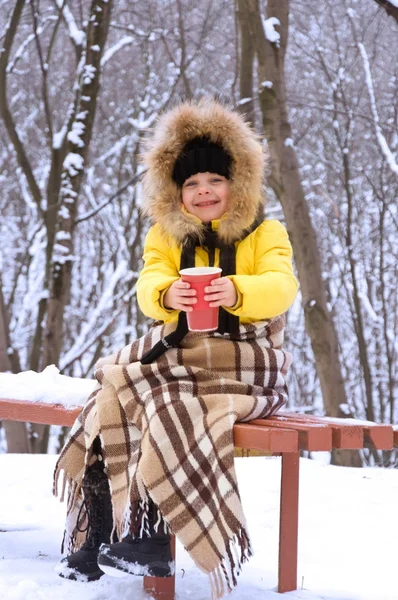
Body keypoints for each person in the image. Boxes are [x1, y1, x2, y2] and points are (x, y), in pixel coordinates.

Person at [53, 97, 298, 597]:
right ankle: (102, 529)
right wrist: (168, 294)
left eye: (215, 181)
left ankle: (149, 532)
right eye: (191, 184)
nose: (204, 191)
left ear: (238, 184)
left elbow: (283, 285)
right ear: (176, 193)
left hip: (245, 363)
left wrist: (238, 291)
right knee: (114, 389)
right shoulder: (165, 237)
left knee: (159, 401)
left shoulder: (265, 232)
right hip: (184, 355)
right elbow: (149, 284)